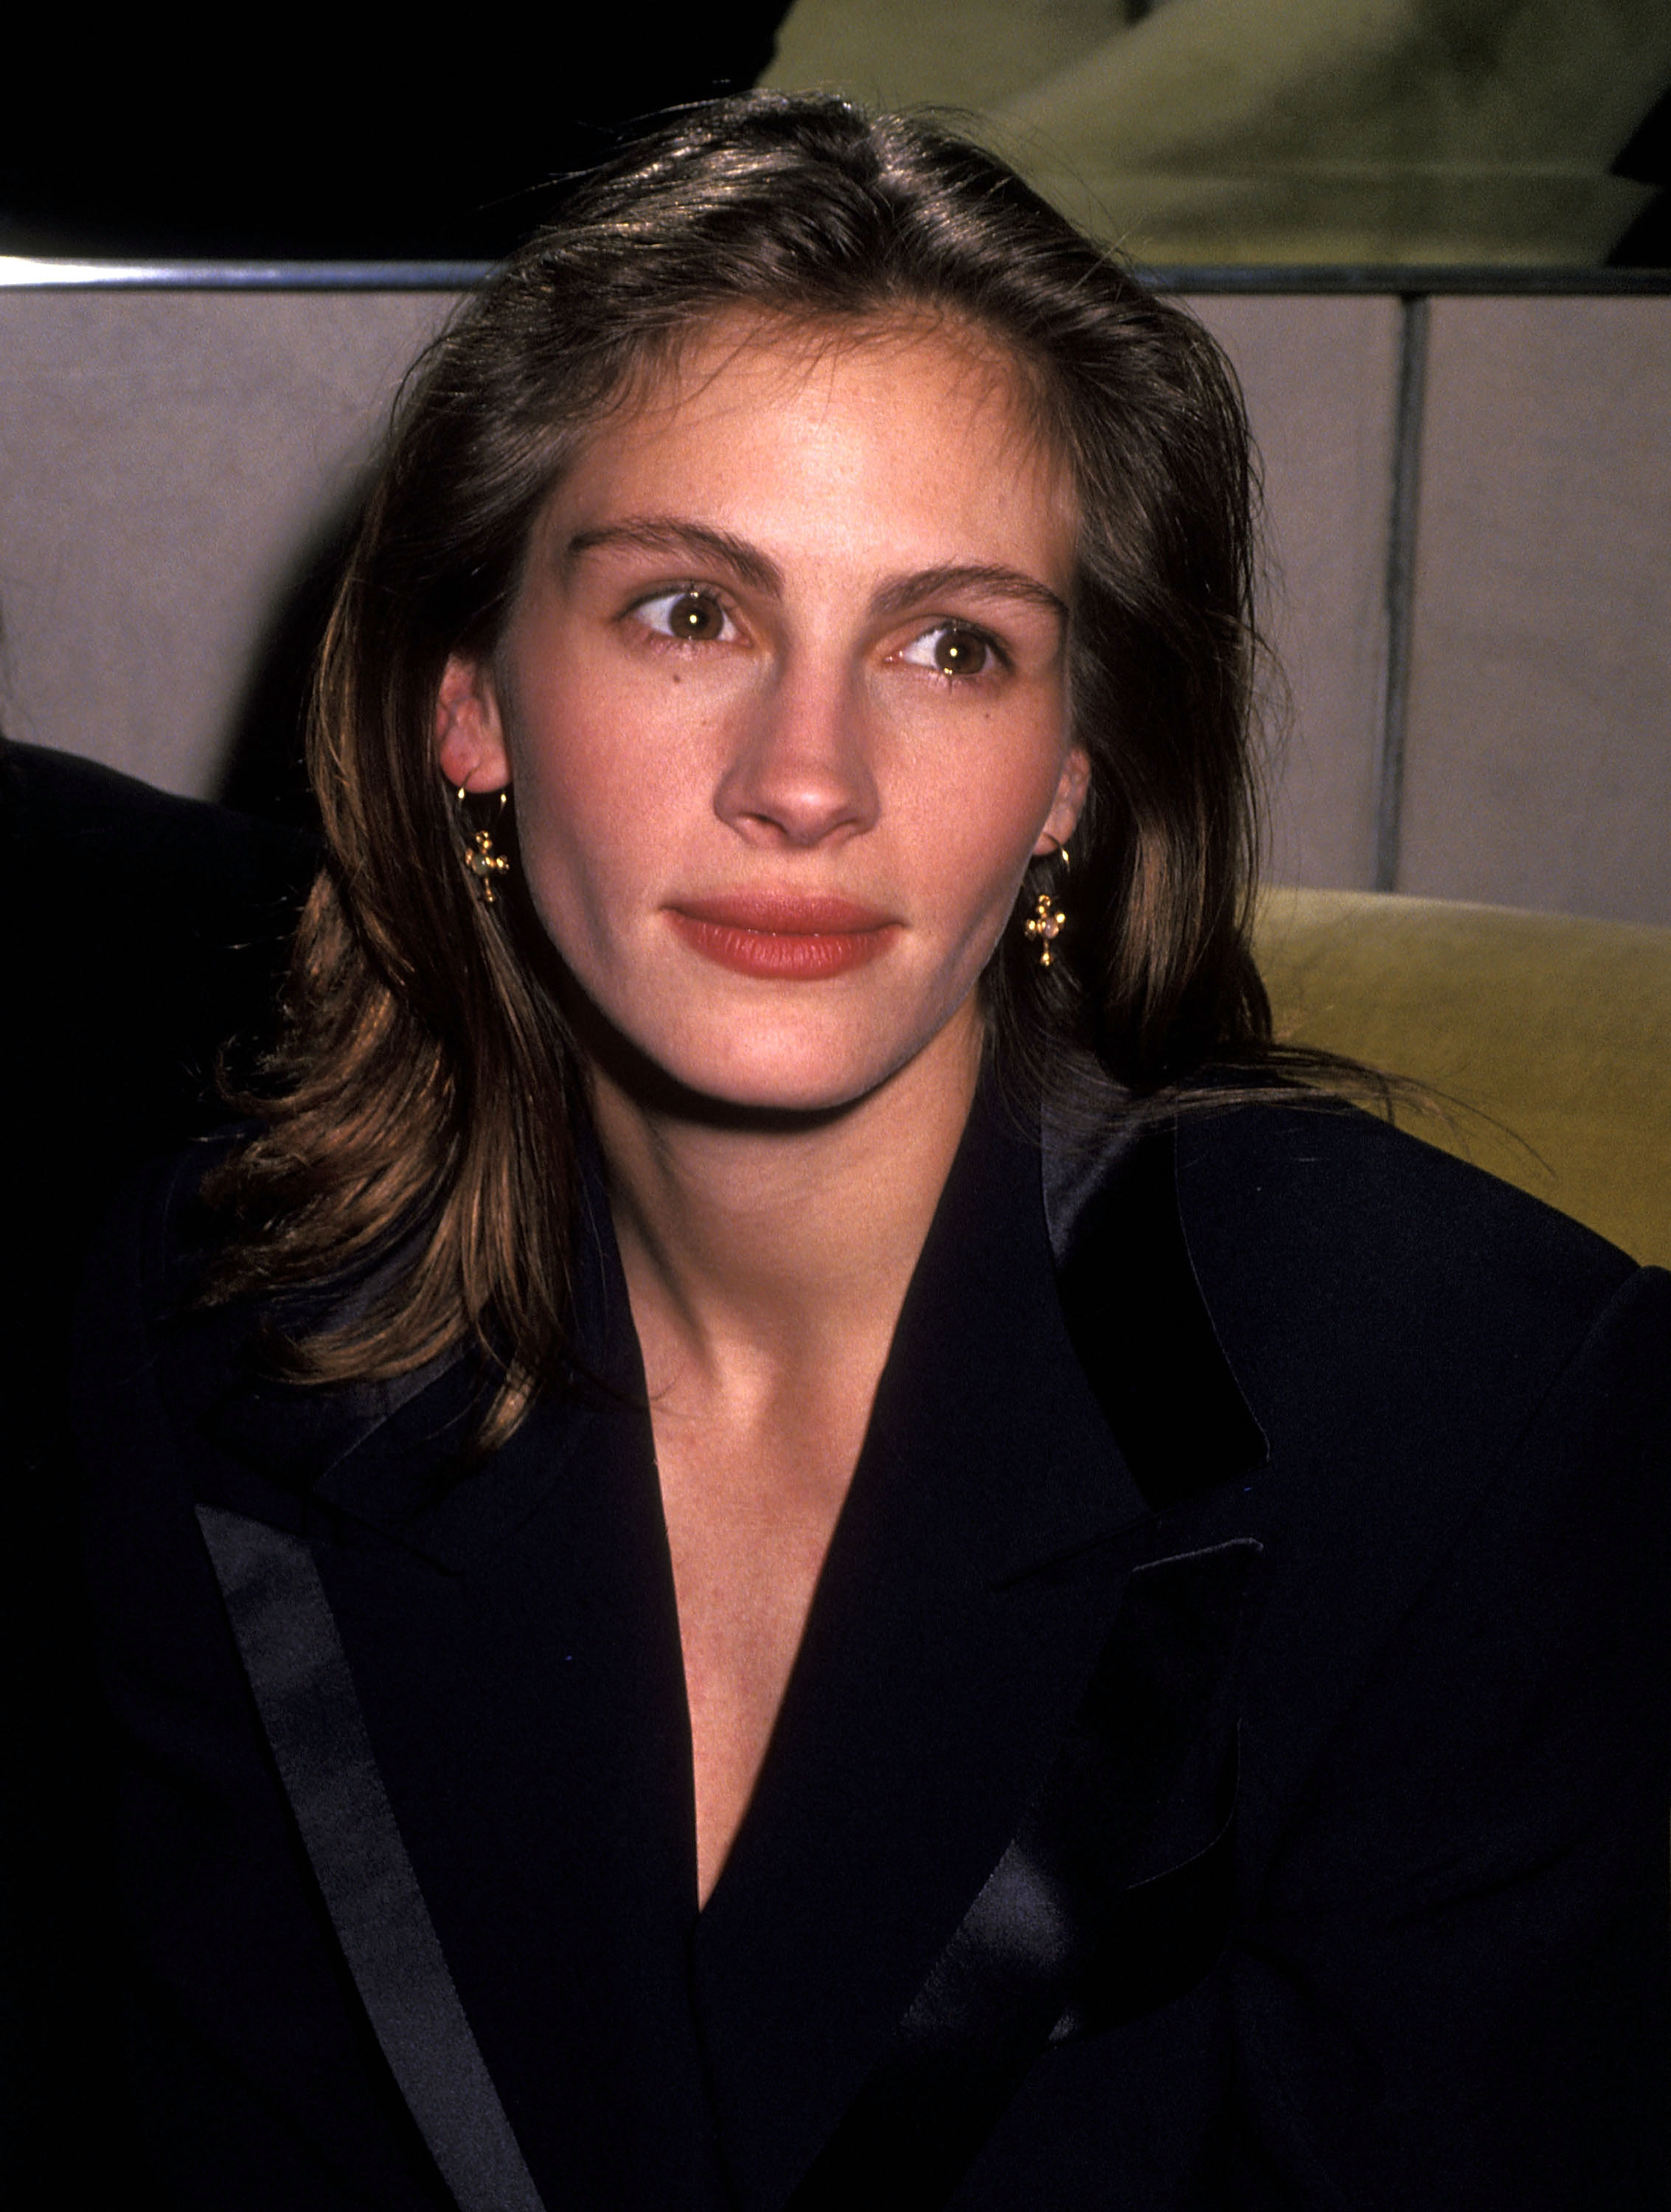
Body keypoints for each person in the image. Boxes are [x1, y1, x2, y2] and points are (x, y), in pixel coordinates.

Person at [71, 94, 1670, 2211]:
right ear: (471, 714)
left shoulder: (1462, 1411)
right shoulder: (210, 1345)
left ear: (1064, 789)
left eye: (949, 647)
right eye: (687, 614)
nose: (804, 779)